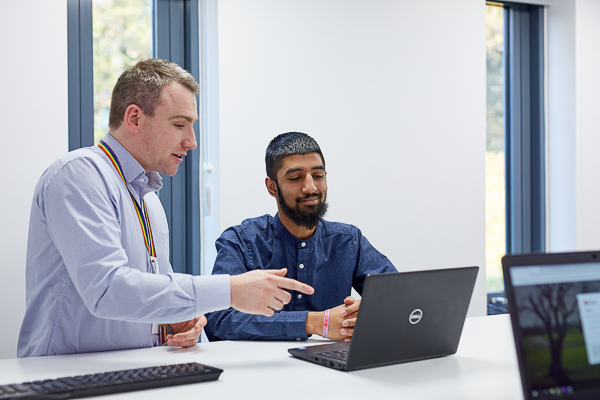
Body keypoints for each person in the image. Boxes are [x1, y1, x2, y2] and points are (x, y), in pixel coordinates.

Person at [18, 60, 313, 357]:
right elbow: (107, 290)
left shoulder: (149, 198)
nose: (192, 142)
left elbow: (147, 294)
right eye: (179, 124)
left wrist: (178, 320)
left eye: (192, 126)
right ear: (134, 118)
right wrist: (231, 290)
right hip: (63, 377)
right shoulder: (79, 175)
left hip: (126, 370)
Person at [204, 132, 397, 342]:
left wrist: (368, 311)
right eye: (296, 178)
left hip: (333, 371)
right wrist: (313, 323)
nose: (311, 188)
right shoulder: (241, 242)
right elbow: (218, 321)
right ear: (272, 187)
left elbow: (398, 297)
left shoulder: (349, 240)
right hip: (262, 371)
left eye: (318, 175)